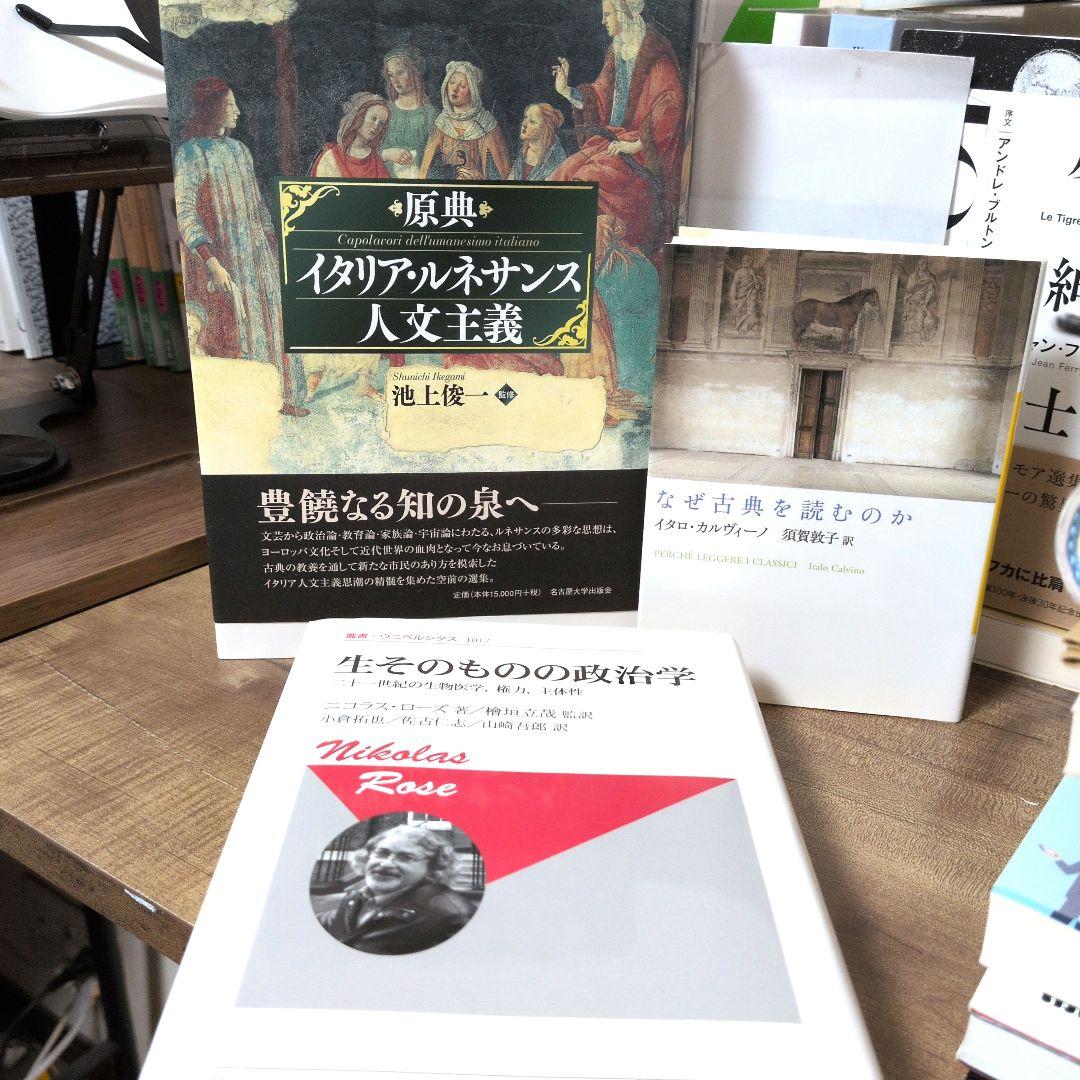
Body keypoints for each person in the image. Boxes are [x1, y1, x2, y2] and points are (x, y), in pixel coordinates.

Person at [173, 77, 307, 416]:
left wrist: (272, 243)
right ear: (213, 108)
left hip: (257, 253)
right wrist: (212, 261)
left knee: (274, 318)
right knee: (238, 326)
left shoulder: (239, 150)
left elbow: (257, 204)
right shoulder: (190, 153)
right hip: (224, 257)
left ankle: (285, 396)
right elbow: (185, 212)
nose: (238, 111)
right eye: (230, 105)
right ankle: (254, 405)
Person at [551, 0, 685, 261]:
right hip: (612, 139)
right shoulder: (616, 50)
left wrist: (635, 145)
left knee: (585, 181)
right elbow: (600, 96)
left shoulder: (654, 53)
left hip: (640, 151)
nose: (603, 21)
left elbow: (671, 104)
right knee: (562, 175)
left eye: (607, 14)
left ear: (624, 14)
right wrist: (566, 90)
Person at [320, 825, 477, 955]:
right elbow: (337, 923)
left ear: (432, 868)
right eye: (382, 853)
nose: (386, 863)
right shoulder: (357, 896)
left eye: (406, 857)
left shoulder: (452, 917)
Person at [418, 60, 510, 180]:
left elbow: (498, 176)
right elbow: (427, 171)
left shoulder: (486, 125)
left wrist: (477, 176)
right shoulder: (442, 123)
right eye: (452, 83)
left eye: (462, 85)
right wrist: (454, 173)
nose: (454, 89)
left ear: (473, 91)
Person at [380, 45, 438, 179]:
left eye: (400, 73)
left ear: (414, 72)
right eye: (391, 75)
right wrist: (388, 154)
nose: (395, 81)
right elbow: (370, 150)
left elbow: (435, 158)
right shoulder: (386, 111)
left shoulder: (430, 114)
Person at [311, 92, 392, 179]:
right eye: (373, 118)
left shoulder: (376, 161)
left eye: (381, 123)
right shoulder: (331, 157)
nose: (376, 126)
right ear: (359, 117)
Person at [507, 103, 567, 182]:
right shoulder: (523, 151)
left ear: (545, 128)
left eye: (532, 121)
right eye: (525, 118)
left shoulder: (556, 159)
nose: (524, 124)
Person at [1042, 846, 1080, 929]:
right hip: (1075, 899)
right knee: (1055, 923)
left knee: (1056, 924)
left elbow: (1068, 870)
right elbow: (1068, 870)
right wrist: (1055, 856)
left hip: (1074, 899)